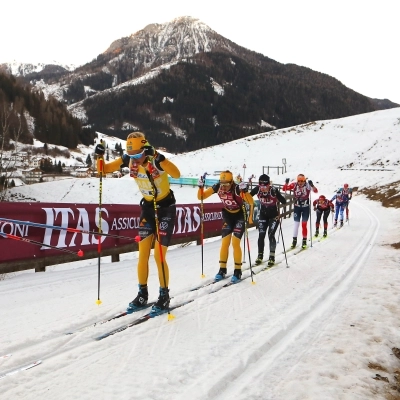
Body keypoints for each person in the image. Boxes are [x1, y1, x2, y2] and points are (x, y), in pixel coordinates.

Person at [95, 131, 181, 315]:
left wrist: (159, 157)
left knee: (159, 256)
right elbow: (103, 169)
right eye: (132, 156)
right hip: (148, 208)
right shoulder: (129, 159)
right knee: (142, 254)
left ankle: (164, 295)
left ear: (145, 148)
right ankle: (142, 294)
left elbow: (176, 173)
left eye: (138, 155)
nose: (135, 160)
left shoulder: (155, 159)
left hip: (165, 208)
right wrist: (99, 156)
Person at [197, 170, 254, 283]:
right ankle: (222, 269)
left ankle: (237, 271)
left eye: (226, 185)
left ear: (231, 182)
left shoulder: (237, 188)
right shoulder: (218, 186)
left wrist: (245, 192)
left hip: (239, 215)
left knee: (235, 242)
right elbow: (201, 197)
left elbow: (251, 201)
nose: (223, 187)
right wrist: (200, 187)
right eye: (222, 184)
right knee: (224, 243)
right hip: (228, 214)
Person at [249, 174, 286, 266]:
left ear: (269, 184)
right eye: (261, 186)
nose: (263, 188)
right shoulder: (257, 189)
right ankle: (260, 255)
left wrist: (276, 194)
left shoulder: (273, 190)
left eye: (265, 186)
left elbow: (284, 201)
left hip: (273, 216)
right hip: (263, 215)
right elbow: (248, 197)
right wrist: (244, 192)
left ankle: (272, 256)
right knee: (261, 234)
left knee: (270, 234)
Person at [282, 174, 318, 249]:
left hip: (305, 207)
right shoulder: (294, 185)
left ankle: (304, 240)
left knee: (304, 224)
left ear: (304, 180)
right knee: (296, 224)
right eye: (299, 181)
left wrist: (312, 185)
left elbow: (316, 191)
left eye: (302, 181)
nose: (300, 182)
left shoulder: (307, 185)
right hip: (297, 207)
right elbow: (284, 189)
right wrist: (286, 183)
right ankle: (294, 241)